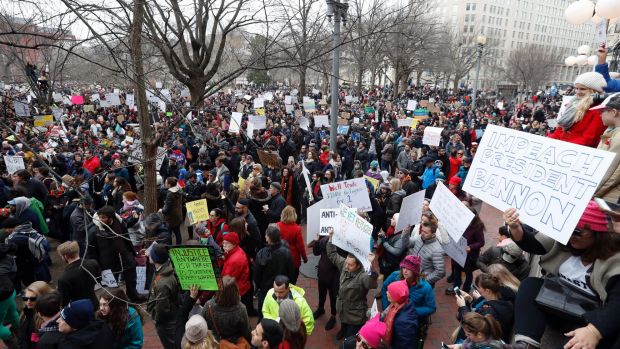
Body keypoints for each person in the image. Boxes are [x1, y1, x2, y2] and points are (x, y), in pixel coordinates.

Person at [504, 201, 620, 349]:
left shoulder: (615, 260)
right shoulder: (562, 239)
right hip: (556, 302)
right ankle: (525, 344)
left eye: (577, 232)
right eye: (569, 230)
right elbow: (532, 244)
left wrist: (594, 331)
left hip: (588, 316)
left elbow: (617, 304)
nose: (571, 236)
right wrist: (515, 227)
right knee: (530, 284)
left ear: (597, 233)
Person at [327, 228, 380, 339]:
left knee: (350, 340)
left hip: (355, 318)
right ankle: (343, 331)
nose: (346, 266)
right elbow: (333, 255)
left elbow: (372, 284)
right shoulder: (345, 266)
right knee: (344, 329)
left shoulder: (362, 276)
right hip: (343, 312)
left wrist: (372, 265)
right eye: (346, 263)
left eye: (350, 265)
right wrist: (331, 238)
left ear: (358, 266)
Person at [87, 206, 140, 302]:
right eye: (100, 217)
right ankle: (116, 302)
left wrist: (131, 253)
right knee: (112, 286)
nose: (100, 219)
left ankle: (133, 296)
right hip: (108, 263)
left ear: (111, 218)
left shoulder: (119, 223)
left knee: (131, 278)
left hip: (125, 256)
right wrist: (97, 267)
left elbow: (125, 236)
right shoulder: (94, 231)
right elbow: (91, 252)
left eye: (103, 217)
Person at [548, 72, 607, 147]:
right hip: (562, 145)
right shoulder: (573, 103)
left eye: (582, 89)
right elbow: (561, 128)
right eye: (576, 88)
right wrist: (549, 141)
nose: (578, 92)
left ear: (594, 91)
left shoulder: (599, 110)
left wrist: (562, 146)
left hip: (575, 150)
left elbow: (589, 139)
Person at [454, 273, 514, 344]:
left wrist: (462, 307)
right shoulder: (497, 299)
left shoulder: (490, 312)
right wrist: (470, 300)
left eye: (478, 287)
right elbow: (478, 311)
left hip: (471, 342)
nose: (477, 289)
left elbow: (470, 325)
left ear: (487, 291)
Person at [254, 224, 295, 317]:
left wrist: (260, 286)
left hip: (265, 290)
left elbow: (256, 275)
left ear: (268, 238)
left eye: (266, 235)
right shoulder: (287, 252)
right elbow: (291, 272)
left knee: (264, 313)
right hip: (281, 288)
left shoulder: (261, 253)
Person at [381, 255, 436, 320]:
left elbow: (431, 308)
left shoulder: (425, 287)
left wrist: (410, 311)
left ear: (415, 272)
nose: (405, 271)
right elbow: (384, 288)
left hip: (410, 319)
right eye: (404, 267)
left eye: (409, 269)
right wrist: (386, 307)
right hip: (392, 314)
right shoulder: (395, 276)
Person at [147, 243, 180, 349]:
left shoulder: (162, 283)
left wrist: (156, 319)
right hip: (171, 316)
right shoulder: (164, 269)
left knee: (169, 344)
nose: (148, 255)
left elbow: (162, 309)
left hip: (165, 323)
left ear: (156, 259)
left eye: (150, 254)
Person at [202, 276, 251, 345]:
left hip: (214, 342)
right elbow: (246, 331)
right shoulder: (241, 309)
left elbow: (201, 324)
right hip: (234, 344)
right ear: (235, 290)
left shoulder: (209, 305)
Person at [446, 209, 485, 294]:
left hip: (469, 255)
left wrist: (470, 247)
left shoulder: (478, 226)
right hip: (458, 252)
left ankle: (466, 290)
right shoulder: (461, 222)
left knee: (468, 273)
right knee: (457, 270)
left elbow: (481, 242)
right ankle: (456, 288)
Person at [372, 280, 418, 348]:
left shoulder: (403, 323)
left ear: (395, 297)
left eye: (389, 292)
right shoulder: (398, 303)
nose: (386, 292)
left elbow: (405, 345)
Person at [592, 93, 620, 202]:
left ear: (614, 112)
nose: (600, 115)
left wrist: (592, 194)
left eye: (602, 111)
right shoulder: (610, 130)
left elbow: (611, 173)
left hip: (610, 198)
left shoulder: (618, 137)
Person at [56, 241, 100, 307]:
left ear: (65, 256)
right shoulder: (93, 263)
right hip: (94, 303)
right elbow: (98, 279)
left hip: (79, 309)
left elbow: (64, 301)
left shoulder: (64, 278)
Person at [407, 218, 446, 287]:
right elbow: (408, 243)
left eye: (426, 232)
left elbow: (440, 272)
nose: (422, 233)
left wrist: (423, 281)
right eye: (422, 231)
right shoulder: (420, 237)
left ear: (433, 234)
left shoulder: (437, 250)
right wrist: (405, 233)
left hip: (422, 283)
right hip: (412, 276)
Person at [220, 232, 252, 314]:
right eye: (223, 242)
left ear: (234, 244)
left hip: (237, 291)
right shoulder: (236, 250)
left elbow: (227, 279)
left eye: (227, 243)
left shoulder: (235, 260)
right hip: (242, 288)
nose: (224, 245)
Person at [18, 281, 54, 349]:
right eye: (25, 298)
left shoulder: (46, 318)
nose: (28, 302)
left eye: (33, 299)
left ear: (43, 298)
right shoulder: (25, 311)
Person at [276, 206, 307, 284]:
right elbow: (301, 246)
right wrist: (304, 258)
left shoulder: (277, 225)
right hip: (293, 258)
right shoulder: (297, 228)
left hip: (280, 256)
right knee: (292, 281)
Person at [447, 313, 511, 349]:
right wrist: (459, 346)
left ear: (479, 334)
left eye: (469, 334)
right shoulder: (482, 340)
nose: (466, 335)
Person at [161, 177, 184, 245]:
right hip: (178, 214)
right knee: (177, 232)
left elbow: (167, 209)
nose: (165, 184)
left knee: (168, 234)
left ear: (169, 184)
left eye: (166, 182)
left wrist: (162, 210)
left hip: (170, 218)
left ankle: (169, 248)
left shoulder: (170, 194)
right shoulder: (179, 190)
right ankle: (179, 246)